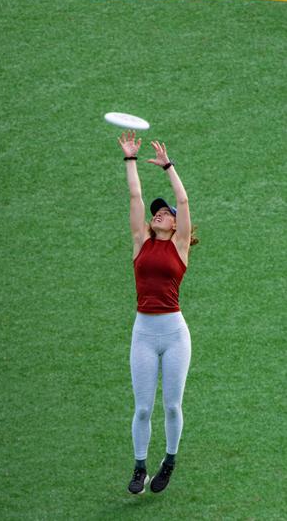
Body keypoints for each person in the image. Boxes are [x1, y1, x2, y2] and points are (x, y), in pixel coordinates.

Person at [118, 130, 198, 495]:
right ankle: (139, 467)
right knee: (142, 409)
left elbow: (183, 198)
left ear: (178, 225)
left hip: (174, 334)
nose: (160, 214)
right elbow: (135, 196)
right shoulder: (140, 242)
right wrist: (130, 159)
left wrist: (168, 165)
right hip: (144, 333)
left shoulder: (180, 247)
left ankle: (168, 461)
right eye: (158, 213)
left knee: (171, 406)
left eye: (166, 213)